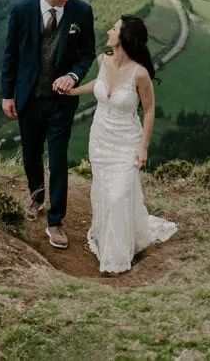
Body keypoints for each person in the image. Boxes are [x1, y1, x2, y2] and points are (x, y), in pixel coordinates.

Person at [65, 14, 178, 274]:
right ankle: (107, 238)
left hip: (127, 142)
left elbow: (149, 111)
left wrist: (143, 148)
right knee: (105, 192)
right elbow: (100, 84)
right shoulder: (102, 60)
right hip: (100, 139)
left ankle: (115, 259)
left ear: (124, 37)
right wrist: (73, 91)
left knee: (118, 196)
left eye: (114, 28)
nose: (108, 31)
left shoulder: (140, 74)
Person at [1, 0, 97, 249]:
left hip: (61, 103)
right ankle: (36, 198)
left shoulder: (82, 11)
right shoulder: (21, 10)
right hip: (28, 98)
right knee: (31, 155)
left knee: (57, 159)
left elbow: (87, 54)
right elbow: (11, 55)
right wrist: (7, 94)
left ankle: (56, 221)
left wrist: (73, 75)